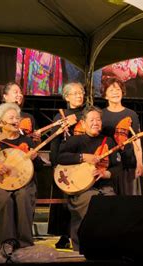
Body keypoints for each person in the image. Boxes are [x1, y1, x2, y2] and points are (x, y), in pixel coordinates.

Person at [0, 103, 44, 250]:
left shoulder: (26, 140)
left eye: (17, 118)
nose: (16, 120)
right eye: (11, 117)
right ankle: (4, 245)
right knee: (3, 198)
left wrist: (35, 158)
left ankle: (24, 245)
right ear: (0, 122)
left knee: (23, 195)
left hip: (24, 184)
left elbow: (39, 168)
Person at [57, 105, 122, 251]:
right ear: (83, 123)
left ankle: (106, 248)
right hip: (81, 189)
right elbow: (60, 158)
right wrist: (82, 157)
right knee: (90, 202)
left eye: (98, 120)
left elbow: (118, 167)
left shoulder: (108, 141)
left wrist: (106, 173)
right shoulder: (75, 141)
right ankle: (82, 247)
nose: (96, 123)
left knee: (112, 205)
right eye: (92, 120)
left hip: (104, 186)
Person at [48, 82, 86, 248]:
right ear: (67, 97)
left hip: (83, 160)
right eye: (75, 93)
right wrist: (55, 162)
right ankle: (64, 234)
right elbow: (55, 142)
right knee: (64, 201)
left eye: (81, 93)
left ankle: (81, 233)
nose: (79, 96)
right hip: (64, 161)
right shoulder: (60, 116)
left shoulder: (87, 113)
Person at [101, 78, 143, 195]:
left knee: (130, 200)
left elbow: (137, 141)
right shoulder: (100, 115)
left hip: (128, 163)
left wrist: (140, 164)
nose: (115, 92)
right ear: (105, 95)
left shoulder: (131, 114)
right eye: (111, 90)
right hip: (108, 166)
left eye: (118, 89)